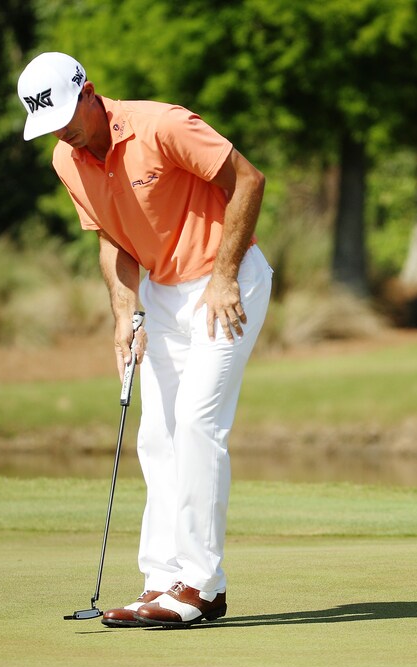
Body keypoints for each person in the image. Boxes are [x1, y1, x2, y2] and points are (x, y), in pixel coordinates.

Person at [17, 52, 273, 628]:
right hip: (159, 292)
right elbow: (114, 240)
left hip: (224, 281)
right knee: (156, 438)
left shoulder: (163, 124)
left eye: (67, 116)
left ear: (88, 92)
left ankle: (202, 586)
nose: (64, 131)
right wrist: (123, 308)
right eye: (51, 124)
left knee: (197, 425)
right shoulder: (67, 159)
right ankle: (161, 580)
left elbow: (249, 181)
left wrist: (225, 276)